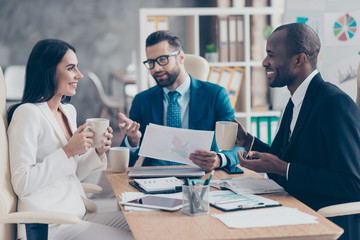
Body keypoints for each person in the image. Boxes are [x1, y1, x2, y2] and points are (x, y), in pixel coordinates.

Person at [233, 23, 360, 240]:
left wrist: (284, 168)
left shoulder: (334, 103)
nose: (264, 62)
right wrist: (248, 142)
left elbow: (353, 184)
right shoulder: (295, 101)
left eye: (271, 55)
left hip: (326, 224)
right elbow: (282, 161)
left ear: (299, 59)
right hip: (293, 211)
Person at [7, 39, 133, 240]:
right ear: (49, 71)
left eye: (77, 67)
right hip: (51, 225)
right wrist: (68, 151)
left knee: (143, 223)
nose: (79, 75)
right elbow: (22, 183)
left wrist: (97, 152)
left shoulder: (68, 111)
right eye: (70, 68)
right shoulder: (27, 114)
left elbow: (72, 173)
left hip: (76, 215)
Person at [118, 30, 242, 171]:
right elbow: (126, 161)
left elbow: (238, 143)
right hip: (155, 176)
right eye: (151, 62)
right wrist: (133, 140)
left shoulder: (215, 95)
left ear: (181, 57)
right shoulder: (142, 100)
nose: (156, 68)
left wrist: (219, 159)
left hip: (201, 174)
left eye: (163, 59)